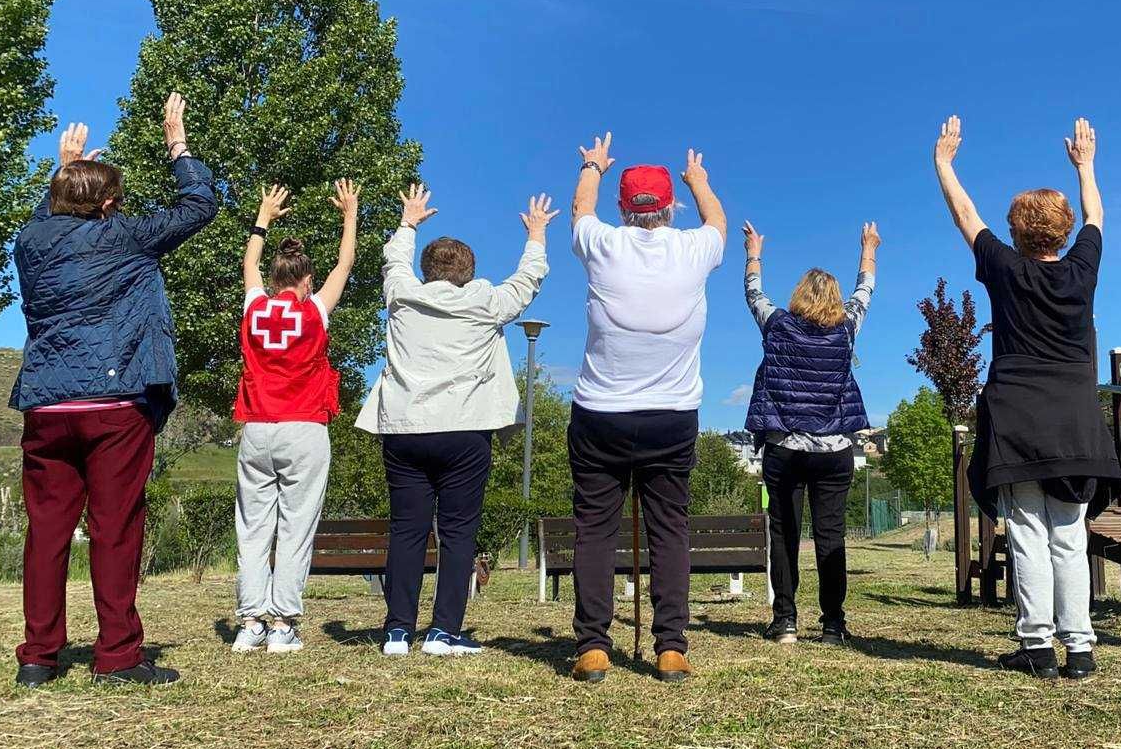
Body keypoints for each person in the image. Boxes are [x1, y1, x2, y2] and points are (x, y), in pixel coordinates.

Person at [10, 94, 214, 687]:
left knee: (47, 531)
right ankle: (118, 656)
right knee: (115, 527)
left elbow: (42, 223)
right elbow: (199, 204)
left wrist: (61, 171)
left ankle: (39, 658)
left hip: (46, 403)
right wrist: (177, 143)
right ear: (108, 204)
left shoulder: (31, 243)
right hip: (113, 403)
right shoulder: (125, 236)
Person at [934, 115, 1121, 680]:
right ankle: (1081, 650)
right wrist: (1086, 165)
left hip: (1017, 419)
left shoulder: (1004, 268)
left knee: (1026, 533)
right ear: (1061, 233)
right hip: (1074, 420)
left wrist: (944, 163)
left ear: (1016, 232)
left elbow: (967, 217)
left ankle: (1037, 648)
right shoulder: (1081, 271)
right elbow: (1097, 216)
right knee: (1069, 534)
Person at [356, 185, 555, 658]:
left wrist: (407, 223)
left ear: (427, 272)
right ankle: (444, 631)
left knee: (406, 530)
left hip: (404, 428)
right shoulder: (484, 303)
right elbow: (526, 283)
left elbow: (392, 263)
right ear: (469, 274)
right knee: (458, 531)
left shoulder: (402, 298)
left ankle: (397, 632)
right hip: (464, 430)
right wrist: (536, 236)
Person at [566, 134, 727, 683]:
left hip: (600, 413)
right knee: (669, 529)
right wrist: (699, 180)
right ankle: (671, 646)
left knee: (594, 530)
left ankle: (592, 645)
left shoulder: (603, 243)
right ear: (670, 208)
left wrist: (592, 165)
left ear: (623, 209)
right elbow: (719, 225)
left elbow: (579, 209)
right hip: (672, 416)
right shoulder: (694, 251)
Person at [230, 179, 359, 654]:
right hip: (304, 427)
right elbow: (345, 263)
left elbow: (249, 265)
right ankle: (283, 623)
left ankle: (249, 622)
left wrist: (263, 217)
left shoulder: (256, 308)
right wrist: (349, 214)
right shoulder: (315, 312)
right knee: (296, 526)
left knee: (253, 528)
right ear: (306, 281)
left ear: (276, 278)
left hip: (257, 429)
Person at [741, 220, 879, 645]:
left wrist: (754, 255)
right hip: (835, 449)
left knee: (784, 533)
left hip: (785, 447)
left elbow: (754, 295)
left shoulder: (777, 326)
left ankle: (785, 621)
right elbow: (865, 293)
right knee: (830, 536)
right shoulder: (846, 329)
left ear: (798, 295)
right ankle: (833, 624)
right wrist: (868, 249)